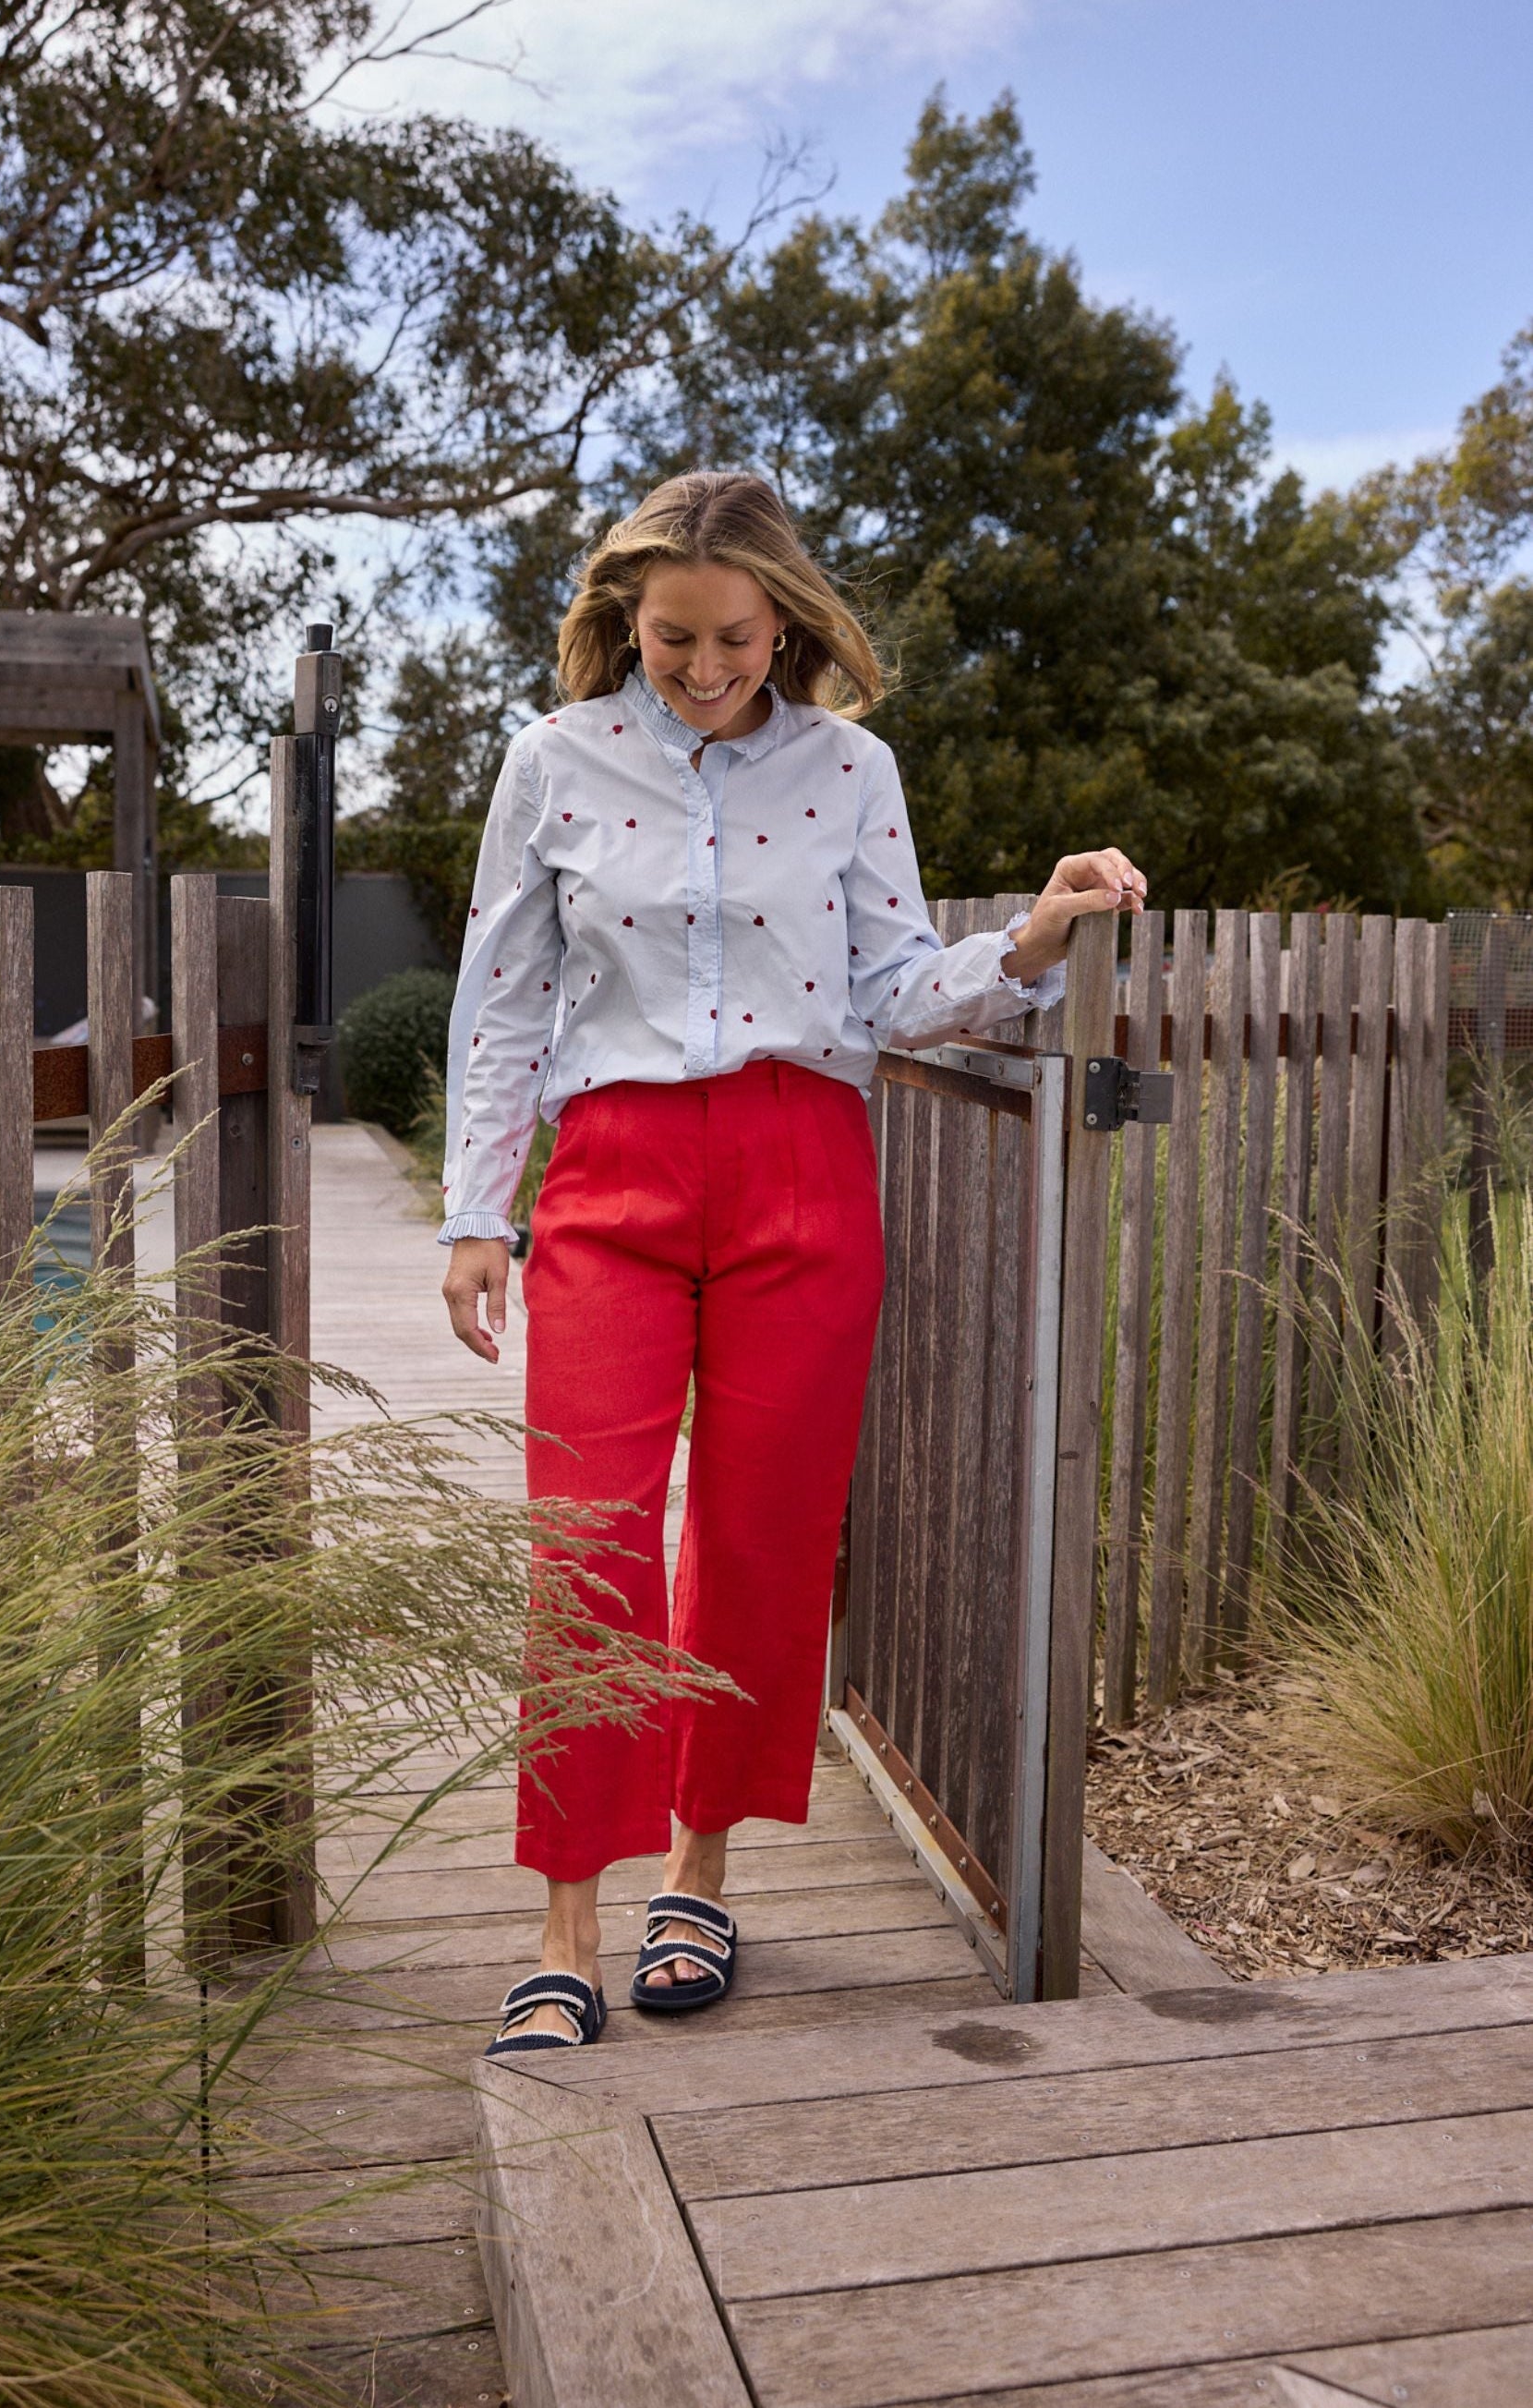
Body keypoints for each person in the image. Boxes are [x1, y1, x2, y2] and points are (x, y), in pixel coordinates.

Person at [439, 470, 1146, 2055]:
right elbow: (504, 1000)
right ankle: (564, 1922)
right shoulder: (553, 761)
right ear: (627, 620)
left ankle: (700, 1871)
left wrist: (1031, 941)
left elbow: (896, 984)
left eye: (736, 638)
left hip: (802, 1180)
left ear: (787, 621)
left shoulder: (849, 770)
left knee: (758, 1541)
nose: (703, 668)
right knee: (589, 1548)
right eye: (673, 637)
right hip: (613, 1176)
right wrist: (479, 1216)